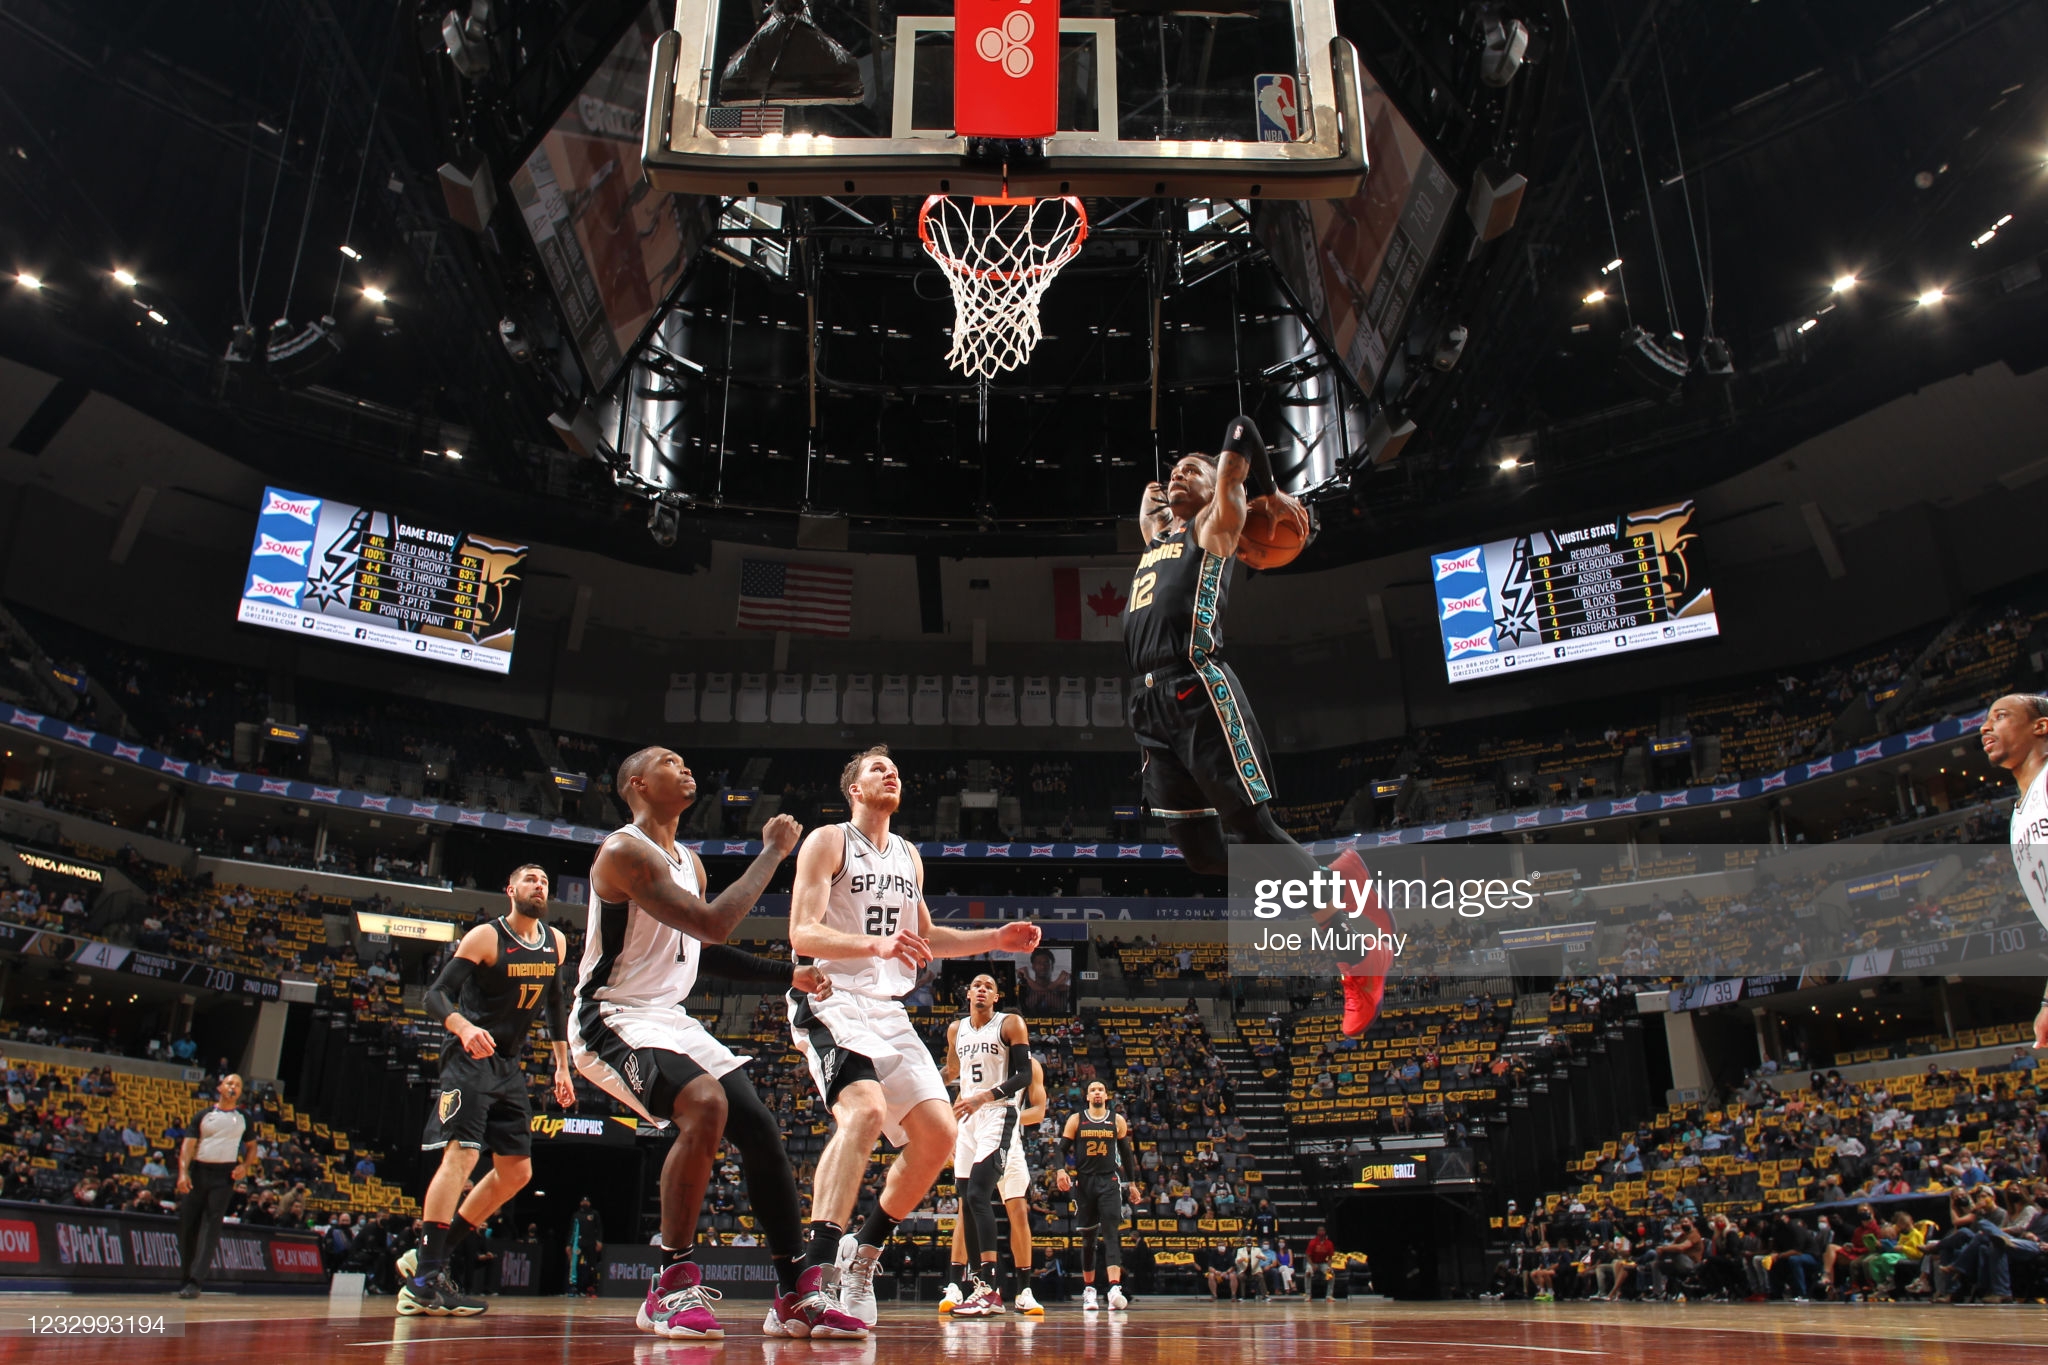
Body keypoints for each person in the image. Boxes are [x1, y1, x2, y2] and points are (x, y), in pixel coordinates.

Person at [570, 747, 865, 1340]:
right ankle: (670, 1282)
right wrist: (773, 851)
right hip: (612, 1016)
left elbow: (702, 949)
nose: (685, 768)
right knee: (705, 1103)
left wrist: (787, 973)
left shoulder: (690, 863)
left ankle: (793, 1290)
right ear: (637, 783)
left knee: (758, 1126)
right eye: (669, 762)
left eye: (685, 762)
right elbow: (714, 924)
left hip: (669, 1017)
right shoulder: (625, 851)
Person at [1125, 417, 1394, 1035]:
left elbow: (1243, 428)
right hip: (1147, 706)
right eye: (1174, 472)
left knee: (1253, 827)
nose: (1177, 477)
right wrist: (1159, 493)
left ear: (1219, 482)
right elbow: (1148, 512)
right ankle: (1332, 879)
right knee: (1202, 857)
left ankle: (1358, 955)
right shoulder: (1160, 537)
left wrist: (1260, 489)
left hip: (1196, 686)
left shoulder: (1218, 522)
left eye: (1190, 470)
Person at [786, 745, 1042, 1329]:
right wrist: (875, 945)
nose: (891, 773)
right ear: (854, 789)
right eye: (878, 769)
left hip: (887, 1008)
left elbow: (926, 937)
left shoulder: (907, 854)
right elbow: (802, 931)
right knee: (865, 1112)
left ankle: (861, 1255)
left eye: (895, 770)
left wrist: (994, 939)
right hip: (831, 995)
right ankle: (813, 1276)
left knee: (939, 1135)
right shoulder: (829, 841)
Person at [397, 863, 575, 1317]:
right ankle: (424, 1282)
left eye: (544, 881)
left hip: (509, 1065)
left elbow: (555, 1004)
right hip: (469, 1060)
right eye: (530, 879)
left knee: (517, 1173)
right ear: (509, 889)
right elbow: (435, 995)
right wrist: (463, 1027)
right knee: (461, 1157)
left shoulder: (555, 941)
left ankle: (429, 1259)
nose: (539, 885)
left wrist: (562, 1066)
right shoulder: (485, 937)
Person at [939, 982, 1048, 1316]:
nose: (982, 990)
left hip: (1003, 1126)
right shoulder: (961, 1034)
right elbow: (956, 1080)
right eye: (976, 986)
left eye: (989, 986)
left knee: (1010, 1209)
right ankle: (965, 1284)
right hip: (972, 1124)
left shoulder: (1020, 1045)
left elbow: (1036, 1106)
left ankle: (1018, 1289)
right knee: (967, 1204)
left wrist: (992, 1105)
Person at [1982, 694, 2048, 1048]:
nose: (1985, 727)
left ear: (2041, 726)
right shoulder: (2018, 818)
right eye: (1986, 720)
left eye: (2001, 716)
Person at [1055, 1080, 1143, 1310]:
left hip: (1109, 1182)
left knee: (1112, 1235)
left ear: (1106, 1096)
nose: (1097, 1093)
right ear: (1087, 1096)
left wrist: (1132, 1184)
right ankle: (1089, 1290)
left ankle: (1114, 1288)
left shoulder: (1117, 1120)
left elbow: (1126, 1154)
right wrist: (1060, 1170)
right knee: (1088, 1240)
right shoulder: (1076, 1119)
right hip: (1085, 1183)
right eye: (1093, 1090)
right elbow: (1060, 1149)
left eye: (1101, 1090)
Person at [173, 1073, 260, 1299]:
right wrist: (183, 1172)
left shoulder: (244, 1118)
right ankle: (185, 1277)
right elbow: (188, 1146)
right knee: (188, 1226)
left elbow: (252, 1147)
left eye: (238, 1085)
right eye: (230, 1083)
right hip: (199, 1171)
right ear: (220, 1087)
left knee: (211, 1226)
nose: (233, 1087)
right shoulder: (203, 1115)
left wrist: (245, 1166)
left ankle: (196, 1280)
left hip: (224, 1175)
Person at [567, 1197, 603, 1298]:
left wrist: (599, 1241)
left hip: (591, 1243)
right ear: (580, 1203)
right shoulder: (576, 1215)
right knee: (575, 1265)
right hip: (578, 1243)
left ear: (589, 1203)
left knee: (592, 1265)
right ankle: (573, 1287)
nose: (585, 1203)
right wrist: (569, 1244)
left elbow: (599, 1228)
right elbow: (572, 1230)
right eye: (583, 1201)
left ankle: (591, 1287)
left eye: (587, 1201)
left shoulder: (594, 1214)